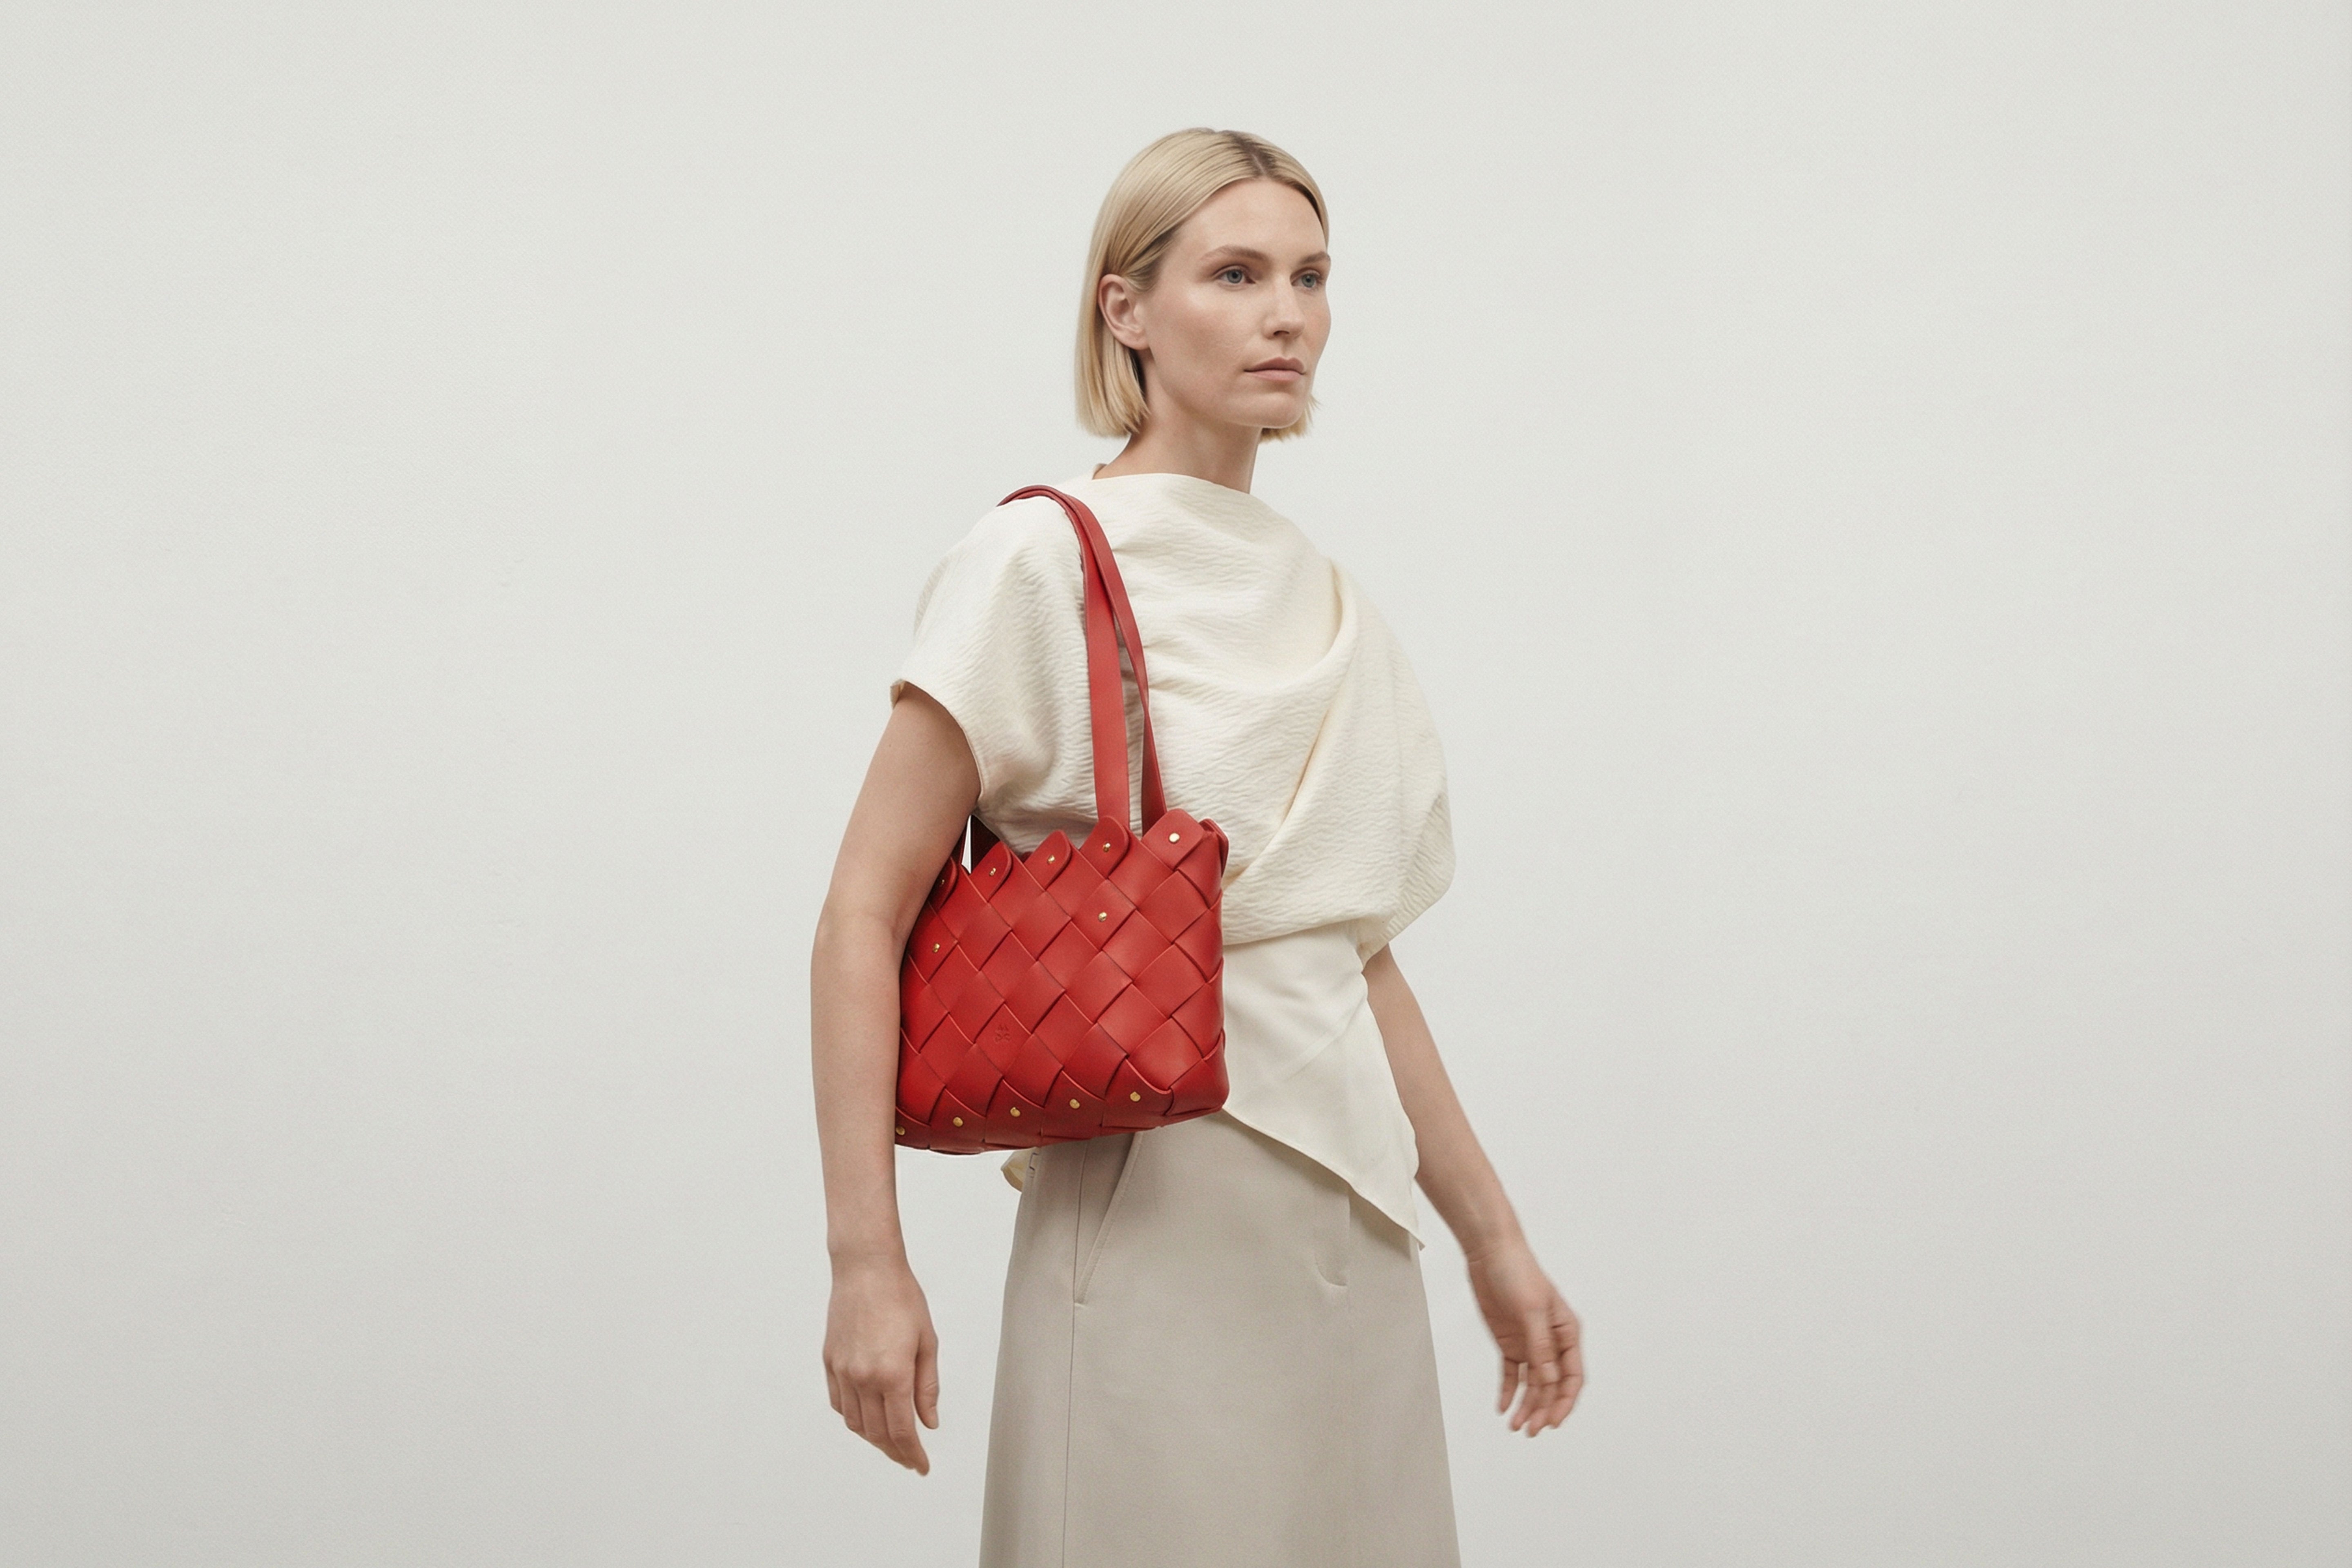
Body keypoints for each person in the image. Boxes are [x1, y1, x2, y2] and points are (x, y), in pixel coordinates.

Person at [811, 127, 1584, 1566]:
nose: (1289, 314)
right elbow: (864, 908)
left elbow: (1352, 959)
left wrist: (1493, 1241)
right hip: (1154, 1204)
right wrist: (870, 1260)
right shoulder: (1042, 560)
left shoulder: (1326, 593)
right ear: (1127, 309)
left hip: (1350, 1220)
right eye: (1235, 274)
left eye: (1311, 275)